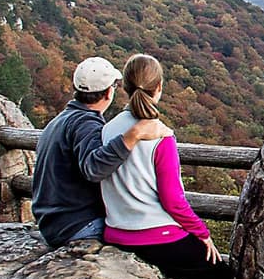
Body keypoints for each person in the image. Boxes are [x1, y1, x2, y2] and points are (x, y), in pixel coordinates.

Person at [100, 53, 242, 279]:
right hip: (155, 235)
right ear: (159, 88)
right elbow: (173, 199)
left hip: (116, 232)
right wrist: (202, 233)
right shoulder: (160, 136)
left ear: (123, 87)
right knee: (218, 277)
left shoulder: (108, 130)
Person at [32, 56, 173, 248]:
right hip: (77, 225)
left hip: (52, 222)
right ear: (109, 93)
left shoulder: (58, 121)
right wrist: (133, 136)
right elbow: (94, 168)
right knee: (146, 241)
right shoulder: (86, 124)